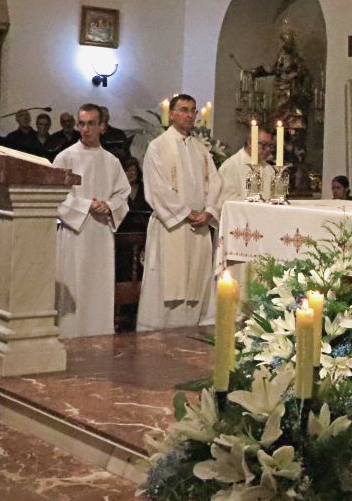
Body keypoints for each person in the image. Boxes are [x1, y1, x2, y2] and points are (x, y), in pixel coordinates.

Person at [138, 93, 219, 331]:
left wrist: (210, 211)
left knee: (195, 283)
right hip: (171, 227)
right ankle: (157, 336)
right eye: (183, 109)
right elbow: (157, 189)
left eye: (193, 110)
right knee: (167, 284)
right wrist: (188, 213)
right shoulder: (158, 147)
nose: (189, 114)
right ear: (171, 114)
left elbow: (216, 183)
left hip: (198, 229)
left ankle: (191, 334)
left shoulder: (201, 149)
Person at [53, 104, 130, 338]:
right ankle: (68, 335)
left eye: (90, 124)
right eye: (81, 124)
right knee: (73, 285)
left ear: (102, 127)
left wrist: (108, 206)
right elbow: (54, 195)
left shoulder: (111, 161)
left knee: (98, 288)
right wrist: (86, 205)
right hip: (74, 233)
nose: (84, 129)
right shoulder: (65, 157)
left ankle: (99, 337)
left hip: (100, 233)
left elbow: (123, 194)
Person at [214, 128, 274, 208]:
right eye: (263, 145)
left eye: (270, 145)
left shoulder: (268, 169)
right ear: (250, 143)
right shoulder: (231, 166)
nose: (267, 149)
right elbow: (228, 201)